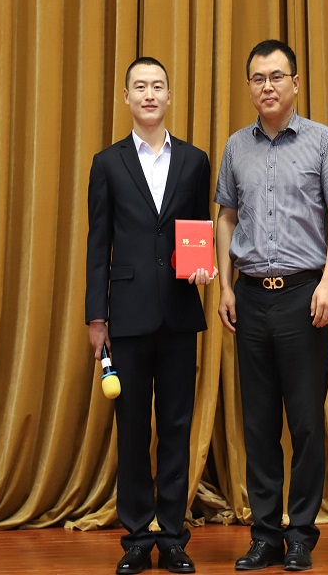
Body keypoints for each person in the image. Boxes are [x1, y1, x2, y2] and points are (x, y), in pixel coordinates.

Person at [214, 40, 328, 572]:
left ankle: (301, 535)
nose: (267, 86)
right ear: (249, 86)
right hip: (250, 299)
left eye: (277, 76)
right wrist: (226, 287)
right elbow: (226, 217)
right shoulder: (236, 146)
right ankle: (266, 535)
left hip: (303, 296)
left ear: (295, 82)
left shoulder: (322, 141)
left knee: (306, 422)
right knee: (258, 425)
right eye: (258, 78)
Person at [86, 57, 216, 575]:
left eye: (157, 86)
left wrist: (204, 268)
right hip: (127, 316)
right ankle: (138, 538)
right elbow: (98, 244)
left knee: (178, 427)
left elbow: (199, 231)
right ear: (126, 97)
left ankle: (174, 537)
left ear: (169, 95)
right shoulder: (107, 163)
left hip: (180, 313)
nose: (149, 94)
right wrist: (97, 317)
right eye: (139, 86)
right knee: (133, 430)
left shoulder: (195, 160)